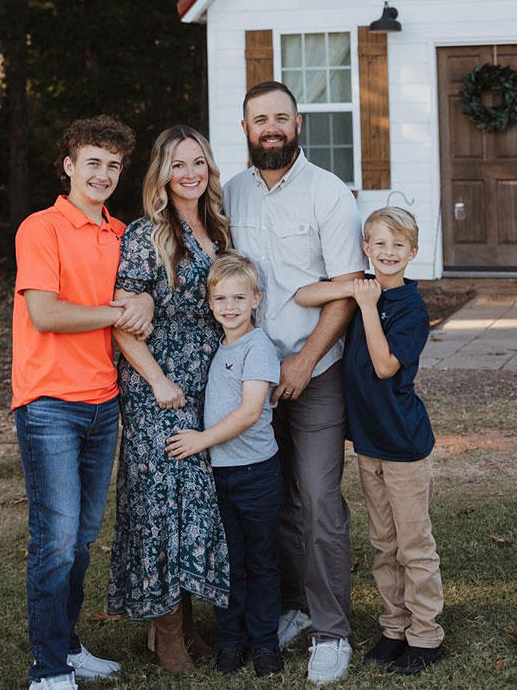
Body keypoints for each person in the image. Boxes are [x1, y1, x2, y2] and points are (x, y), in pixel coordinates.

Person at [222, 81, 366, 685]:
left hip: (315, 371)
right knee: (271, 498)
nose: (271, 128)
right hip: (252, 375)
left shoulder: (328, 194)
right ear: (247, 128)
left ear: (298, 124)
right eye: (261, 120)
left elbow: (348, 286)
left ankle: (333, 631)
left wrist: (305, 361)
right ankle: (292, 607)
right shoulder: (230, 193)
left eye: (282, 118)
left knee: (318, 499)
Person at [12, 115, 154, 690]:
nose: (102, 173)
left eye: (112, 165)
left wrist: (141, 294)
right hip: (49, 402)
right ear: (69, 166)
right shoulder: (41, 228)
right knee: (55, 537)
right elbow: (46, 313)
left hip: (104, 402)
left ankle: (68, 649)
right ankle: (47, 671)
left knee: (82, 537)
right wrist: (121, 310)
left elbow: (134, 291)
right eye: (91, 162)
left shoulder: (120, 233)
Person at [295, 207, 444, 676]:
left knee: (413, 544)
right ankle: (394, 627)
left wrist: (363, 305)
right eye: (379, 244)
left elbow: (384, 365)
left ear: (413, 253)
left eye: (398, 246)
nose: (388, 253)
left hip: (403, 443)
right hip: (369, 444)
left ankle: (426, 634)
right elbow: (303, 294)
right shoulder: (364, 287)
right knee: (383, 543)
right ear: (366, 248)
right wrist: (352, 289)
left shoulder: (410, 308)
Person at [107, 125, 231, 676]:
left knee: (196, 507)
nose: (189, 174)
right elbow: (123, 322)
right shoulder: (145, 233)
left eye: (198, 162)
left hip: (210, 385)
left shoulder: (218, 231)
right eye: (178, 164)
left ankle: (183, 622)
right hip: (159, 388)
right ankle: (167, 633)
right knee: (163, 507)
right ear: (162, 172)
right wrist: (159, 382)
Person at [165, 252, 284, 677]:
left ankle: (266, 645)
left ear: (257, 299)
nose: (229, 307)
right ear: (210, 303)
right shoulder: (218, 346)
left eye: (239, 297)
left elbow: (251, 411)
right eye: (220, 299)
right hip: (221, 477)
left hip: (256, 473)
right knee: (229, 563)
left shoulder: (259, 347)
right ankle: (231, 643)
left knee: (262, 562)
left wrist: (201, 441)